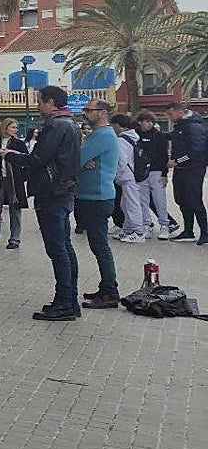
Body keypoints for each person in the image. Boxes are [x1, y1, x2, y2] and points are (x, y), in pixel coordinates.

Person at [22, 86, 82, 321]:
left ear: (51, 102)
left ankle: (65, 303)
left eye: (40, 101)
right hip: (63, 191)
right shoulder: (70, 124)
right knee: (64, 247)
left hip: (52, 193)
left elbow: (38, 159)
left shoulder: (56, 125)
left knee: (58, 249)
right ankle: (67, 300)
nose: (38, 105)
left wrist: (12, 155)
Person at [64, 100, 120, 310]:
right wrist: (82, 160)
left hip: (98, 198)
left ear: (102, 113)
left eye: (89, 110)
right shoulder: (95, 135)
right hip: (88, 196)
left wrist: (82, 160)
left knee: (100, 246)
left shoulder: (104, 135)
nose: (85, 113)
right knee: (97, 245)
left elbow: (75, 158)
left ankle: (110, 292)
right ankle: (105, 287)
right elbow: (80, 157)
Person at [165, 101, 207, 243]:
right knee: (181, 200)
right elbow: (174, 137)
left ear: (180, 112)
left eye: (171, 114)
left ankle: (205, 232)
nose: (169, 118)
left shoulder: (194, 127)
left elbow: (196, 151)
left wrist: (177, 161)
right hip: (181, 171)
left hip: (193, 170)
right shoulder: (180, 126)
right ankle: (188, 231)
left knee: (195, 200)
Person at [0, 119, 28, 249]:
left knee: (15, 209)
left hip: (14, 181)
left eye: (16, 127)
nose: (15, 130)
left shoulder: (19, 144)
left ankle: (15, 239)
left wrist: (21, 177)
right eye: (13, 127)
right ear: (5, 127)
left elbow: (27, 161)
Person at [134, 111, 174, 239]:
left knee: (159, 200)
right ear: (140, 122)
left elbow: (164, 156)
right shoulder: (135, 135)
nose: (149, 124)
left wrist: (164, 173)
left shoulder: (159, 135)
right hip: (140, 172)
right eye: (146, 121)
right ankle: (146, 225)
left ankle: (164, 225)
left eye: (151, 121)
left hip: (156, 171)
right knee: (142, 200)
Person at [109, 113, 148, 243]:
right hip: (132, 175)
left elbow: (120, 160)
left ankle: (138, 232)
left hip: (127, 176)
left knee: (131, 204)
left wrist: (115, 175)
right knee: (126, 204)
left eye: (113, 126)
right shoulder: (134, 136)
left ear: (118, 125)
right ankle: (128, 229)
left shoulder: (121, 140)